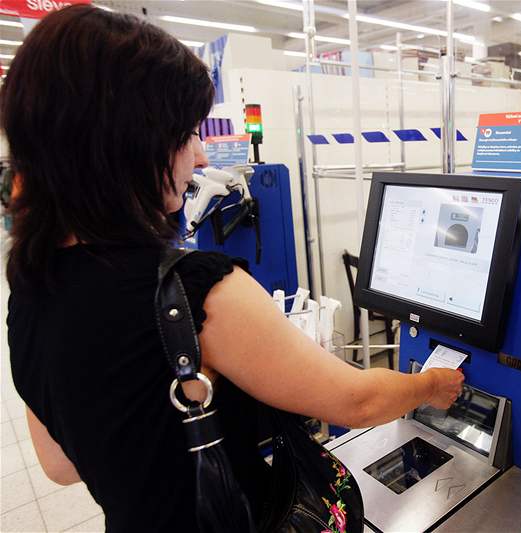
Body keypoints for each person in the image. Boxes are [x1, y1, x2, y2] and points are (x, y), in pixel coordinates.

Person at [1, 5, 464, 532]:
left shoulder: (30, 288)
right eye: (184, 135)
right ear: (128, 145)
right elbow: (355, 402)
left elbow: (60, 466)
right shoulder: (193, 290)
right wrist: (428, 386)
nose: (199, 158)